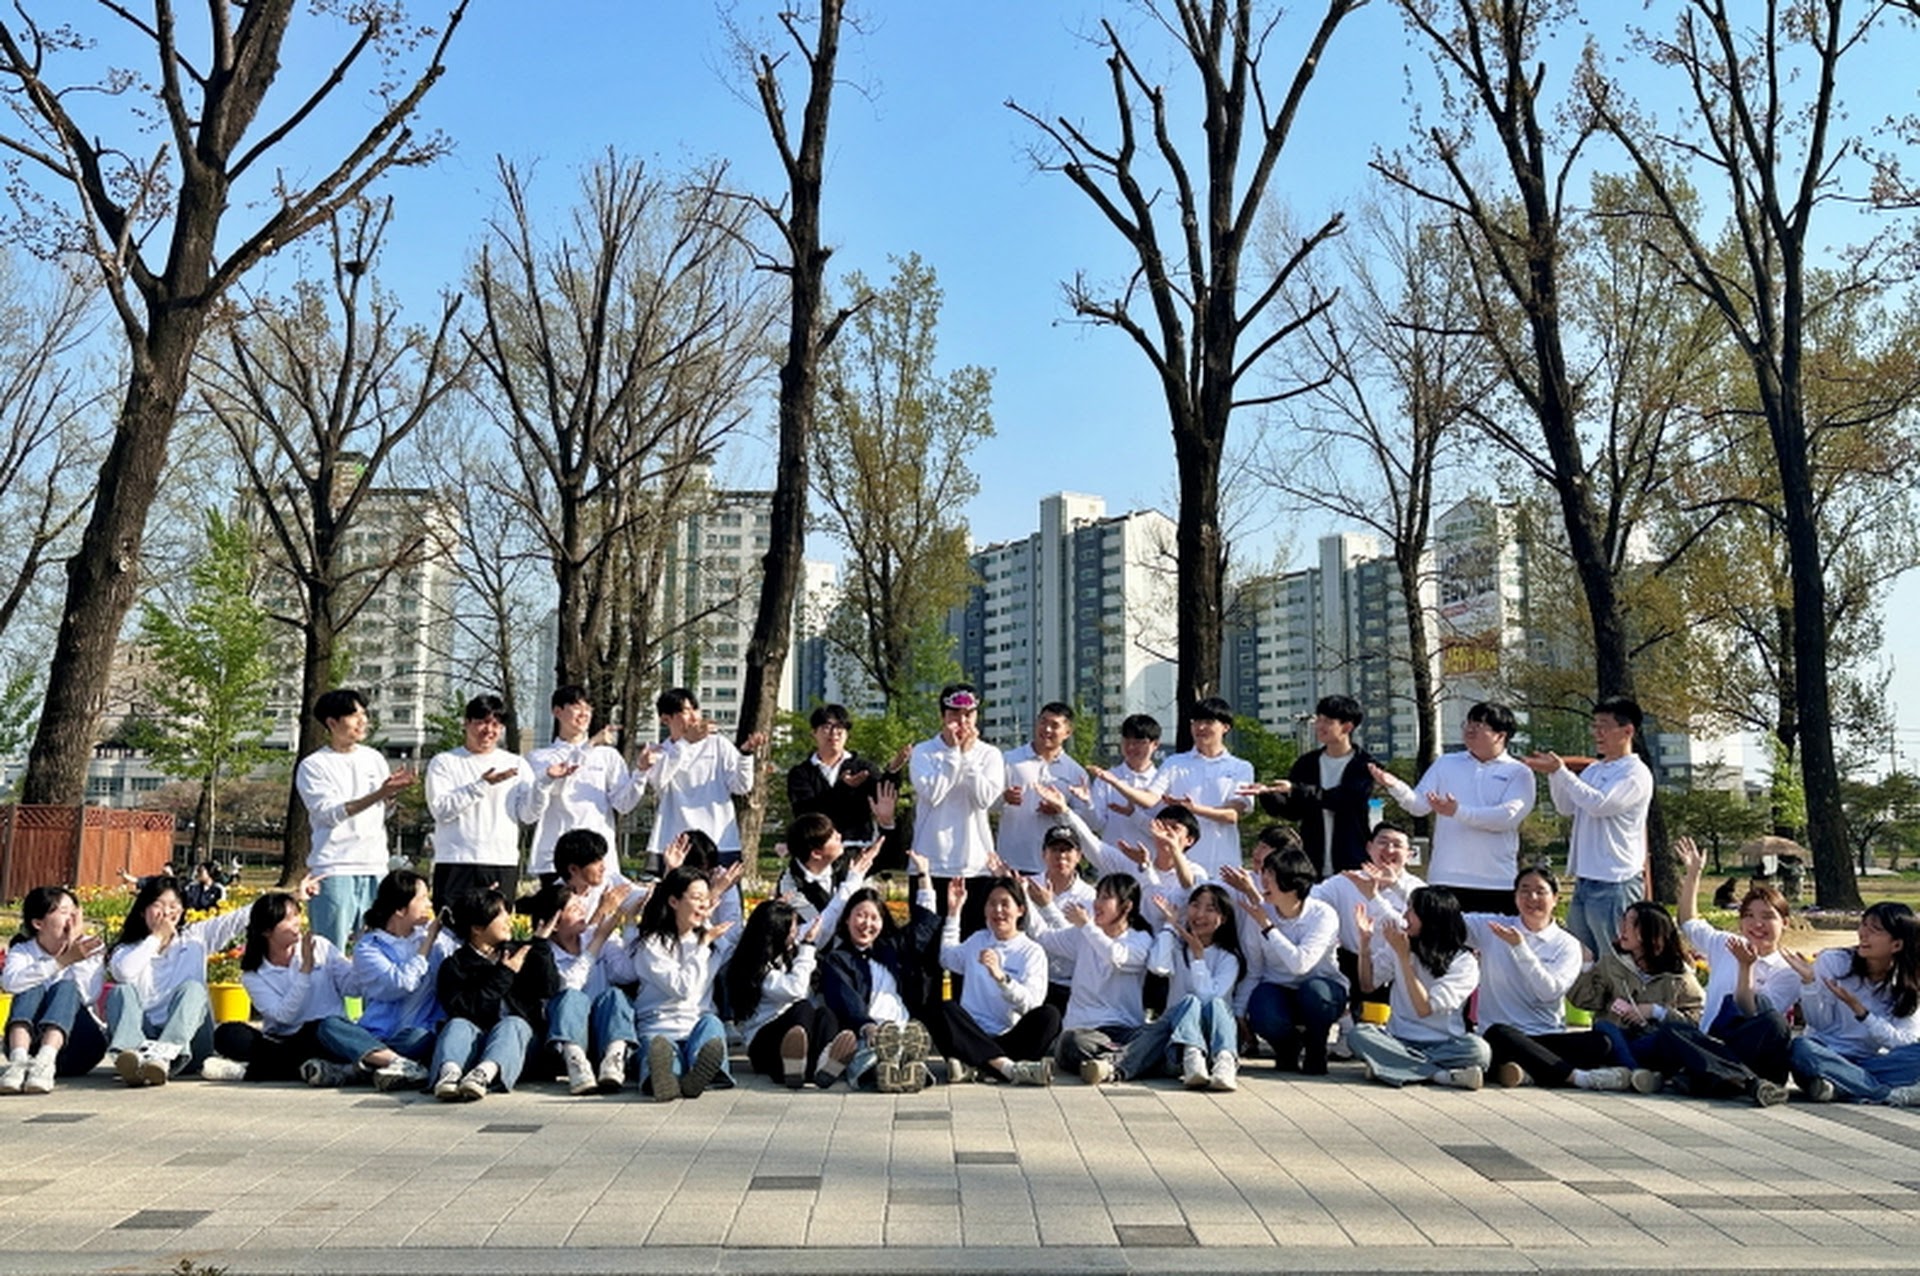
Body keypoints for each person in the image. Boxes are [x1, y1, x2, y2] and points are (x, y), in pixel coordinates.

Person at [1628, 838, 1800, 1105]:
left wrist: (1746, 967)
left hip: (1754, 1052)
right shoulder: (1726, 943)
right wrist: (1693, 874)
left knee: (1773, 1022)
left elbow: (1752, 1015)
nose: (1757, 924)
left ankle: (1704, 1076)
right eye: (1749, 916)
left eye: (1767, 917)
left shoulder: (1788, 969)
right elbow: (1689, 922)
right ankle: (1738, 1082)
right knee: (1672, 1032)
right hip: (1711, 1043)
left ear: (1785, 923)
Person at [211, 893, 427, 1089]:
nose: (297, 923)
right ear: (267, 931)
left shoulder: (320, 945)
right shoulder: (254, 975)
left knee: (415, 1038)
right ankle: (387, 1063)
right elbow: (283, 1016)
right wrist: (306, 969)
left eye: (297, 915)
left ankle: (262, 1071)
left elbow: (353, 988)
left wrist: (365, 962)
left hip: (334, 1036)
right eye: (288, 919)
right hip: (290, 1041)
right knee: (228, 1035)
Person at [1489, 900, 1703, 1092]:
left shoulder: (1680, 977)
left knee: (1666, 1037)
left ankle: (1631, 1073)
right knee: (1603, 1031)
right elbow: (1585, 1000)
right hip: (1616, 1042)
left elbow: (1697, 1023)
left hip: (1652, 1046)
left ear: (1653, 933)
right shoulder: (1612, 964)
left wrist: (1656, 1012)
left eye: (1632, 923)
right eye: (1623, 920)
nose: (1623, 928)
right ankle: (1638, 1075)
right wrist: (1587, 965)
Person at [1370, 701, 1536, 914]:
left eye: (1479, 725)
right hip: (1446, 877)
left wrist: (1458, 811)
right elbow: (1419, 806)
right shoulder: (1446, 763)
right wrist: (1395, 785)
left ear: (1500, 735)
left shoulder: (1518, 772)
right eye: (1468, 723)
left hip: (1496, 880)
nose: (1470, 729)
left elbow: (1506, 817)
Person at [1524, 696, 1654, 959]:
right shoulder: (1595, 771)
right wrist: (1555, 775)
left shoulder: (1635, 773)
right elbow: (1566, 806)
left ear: (1627, 730)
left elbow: (1599, 804)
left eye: (1604, 726)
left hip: (1615, 881)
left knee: (1616, 960)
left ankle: (1622, 991)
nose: (1597, 733)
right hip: (1585, 879)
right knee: (1582, 959)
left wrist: (1562, 772)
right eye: (1595, 726)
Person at [295, 688, 416, 949]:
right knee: (330, 952)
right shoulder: (314, 765)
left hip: (375, 865)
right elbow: (328, 814)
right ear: (332, 722)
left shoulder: (374, 758)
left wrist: (389, 798)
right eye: (354, 715)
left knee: (377, 949)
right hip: (334, 868)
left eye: (364, 714)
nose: (363, 721)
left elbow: (382, 813)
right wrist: (379, 794)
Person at [105, 875, 249, 1085]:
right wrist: (156, 938)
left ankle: (162, 1058)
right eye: (158, 905)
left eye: (173, 906)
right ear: (143, 910)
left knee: (194, 990)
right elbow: (124, 973)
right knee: (120, 991)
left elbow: (239, 918)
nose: (166, 912)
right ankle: (133, 1061)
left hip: (189, 1045)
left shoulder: (195, 937)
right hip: (143, 1039)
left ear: (182, 911)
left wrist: (290, 898)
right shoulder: (127, 949)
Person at [819, 852, 943, 1092]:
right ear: (847, 920)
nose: (867, 924)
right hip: (869, 1032)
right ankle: (885, 1069)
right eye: (860, 916)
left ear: (883, 922)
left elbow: (925, 925)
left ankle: (902, 1066)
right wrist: (867, 1026)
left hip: (902, 1028)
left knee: (906, 1043)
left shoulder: (892, 949)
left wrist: (924, 875)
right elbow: (845, 999)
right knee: (869, 1053)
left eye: (874, 918)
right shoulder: (838, 959)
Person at [1346, 886, 1490, 1090]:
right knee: (1359, 1035)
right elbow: (1367, 985)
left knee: (1479, 1051)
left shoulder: (1464, 962)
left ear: (1432, 918)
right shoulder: (1401, 946)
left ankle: (1391, 1066)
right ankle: (1440, 1075)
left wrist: (1405, 961)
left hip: (1446, 1043)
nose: (1405, 916)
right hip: (1399, 1040)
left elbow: (1424, 1008)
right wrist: (1365, 943)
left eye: (1412, 910)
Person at [625, 863, 745, 1101]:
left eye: (706, 899)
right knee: (660, 1052)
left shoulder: (712, 942)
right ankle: (667, 1077)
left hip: (696, 1027)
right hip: (660, 1029)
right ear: (674, 901)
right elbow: (682, 988)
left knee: (712, 1024)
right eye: (697, 898)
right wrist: (703, 945)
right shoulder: (652, 944)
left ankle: (701, 1074)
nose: (704, 905)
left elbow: (739, 949)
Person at [424, 693, 556, 907]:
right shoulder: (445, 762)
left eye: (496, 724)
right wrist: (482, 784)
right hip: (456, 861)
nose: (489, 730)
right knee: (451, 925)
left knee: (498, 925)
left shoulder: (516, 764)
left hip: (501, 861)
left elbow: (528, 815)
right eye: (482, 722)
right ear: (467, 723)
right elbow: (441, 810)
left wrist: (545, 783)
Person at [1785, 902, 1920, 1106]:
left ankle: (1841, 1086)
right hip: (1824, 1054)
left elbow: (1904, 1043)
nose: (1863, 934)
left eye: (1875, 930)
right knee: (1801, 1048)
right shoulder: (1834, 962)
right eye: (1863, 925)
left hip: (1869, 1062)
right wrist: (1809, 983)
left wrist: (1863, 1013)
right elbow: (1819, 1024)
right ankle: (1883, 1094)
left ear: (1897, 945)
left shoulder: (1905, 983)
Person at [431, 888, 560, 1102]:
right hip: (476, 1044)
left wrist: (540, 945)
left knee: (513, 1023)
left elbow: (549, 988)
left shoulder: (520, 952)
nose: (508, 919)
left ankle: (484, 1075)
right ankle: (449, 1074)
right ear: (477, 928)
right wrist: (504, 974)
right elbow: (465, 1009)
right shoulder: (455, 966)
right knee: (457, 1024)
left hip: (520, 1048)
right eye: (501, 914)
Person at [1463, 865, 1583, 1087]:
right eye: (1524, 891)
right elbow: (1443, 917)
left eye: (1540, 891)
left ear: (1555, 899)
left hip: (1546, 1037)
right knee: (1499, 1034)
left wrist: (1520, 948)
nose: (1532, 898)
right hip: (1500, 1037)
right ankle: (1577, 1077)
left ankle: (1524, 1072)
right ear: (1515, 897)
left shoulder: (1567, 945)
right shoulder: (1493, 927)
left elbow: (1548, 993)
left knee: (1602, 1042)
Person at [1030, 872, 1155, 1085]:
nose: (1097, 903)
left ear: (1126, 906)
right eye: (1097, 896)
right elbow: (1044, 938)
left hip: (1125, 1031)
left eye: (1106, 897)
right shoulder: (1083, 934)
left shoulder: (1140, 939)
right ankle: (1128, 1061)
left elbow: (1115, 957)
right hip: (1086, 1032)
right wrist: (1028, 901)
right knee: (1070, 1042)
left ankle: (1110, 1064)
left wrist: (1087, 926)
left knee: (1161, 1031)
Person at [1231, 848, 1345, 1075]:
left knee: (1314, 993)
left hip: (1321, 988)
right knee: (1263, 1008)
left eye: (1271, 876)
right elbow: (1255, 970)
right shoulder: (1260, 913)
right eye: (1263, 873)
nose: (1263, 881)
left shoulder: (1322, 914)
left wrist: (1268, 927)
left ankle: (1316, 1048)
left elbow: (1301, 964)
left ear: (1292, 883)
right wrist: (1239, 1011)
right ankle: (1288, 1047)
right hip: (1278, 988)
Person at [939, 876, 1059, 1085]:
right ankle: (1006, 1069)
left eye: (1005, 904)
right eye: (992, 904)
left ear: (1020, 910)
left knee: (1050, 1016)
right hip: (970, 1033)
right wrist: (954, 912)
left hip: (1008, 1038)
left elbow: (1031, 1005)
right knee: (944, 1008)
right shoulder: (978, 940)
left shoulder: (1032, 951)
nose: (998, 910)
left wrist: (1002, 979)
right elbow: (947, 959)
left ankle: (978, 1065)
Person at [909, 683, 1007, 939]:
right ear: (943, 716)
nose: (962, 721)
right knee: (926, 946)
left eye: (969, 714)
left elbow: (985, 799)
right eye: (954, 714)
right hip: (930, 863)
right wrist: (954, 754)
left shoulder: (990, 754)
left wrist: (968, 757)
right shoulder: (923, 752)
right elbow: (933, 794)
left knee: (971, 943)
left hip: (975, 865)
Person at [525, 878, 638, 1095]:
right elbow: (570, 986)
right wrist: (597, 943)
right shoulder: (543, 954)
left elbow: (627, 973)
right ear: (555, 923)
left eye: (581, 905)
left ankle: (614, 1059)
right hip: (566, 1042)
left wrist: (630, 924)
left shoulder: (595, 934)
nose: (583, 911)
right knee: (570, 997)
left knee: (615, 995)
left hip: (603, 1036)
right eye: (574, 908)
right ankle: (576, 1063)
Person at [1247, 694, 1378, 877]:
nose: (1320, 726)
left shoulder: (1365, 765)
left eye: (1328, 721)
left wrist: (1296, 789)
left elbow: (1344, 800)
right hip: (1311, 861)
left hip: (1352, 860)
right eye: (1319, 719)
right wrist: (1268, 794)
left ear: (1347, 727)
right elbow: (1294, 811)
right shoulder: (1306, 763)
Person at [527, 684, 641, 882]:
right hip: (554, 858)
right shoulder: (539, 757)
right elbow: (552, 790)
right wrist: (589, 745)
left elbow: (623, 804)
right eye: (577, 707)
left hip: (599, 860)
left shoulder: (608, 756)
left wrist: (641, 773)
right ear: (557, 711)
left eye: (588, 708)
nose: (584, 714)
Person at [640, 687, 765, 868]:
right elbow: (658, 781)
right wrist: (685, 742)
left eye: (696, 709)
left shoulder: (719, 744)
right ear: (666, 719)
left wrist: (746, 754)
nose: (694, 717)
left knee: (724, 886)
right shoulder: (659, 752)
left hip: (720, 841)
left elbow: (741, 786)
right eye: (685, 711)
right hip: (675, 845)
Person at [1, 886, 108, 1096]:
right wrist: (61, 961)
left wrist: (74, 949)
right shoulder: (23, 950)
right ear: (38, 923)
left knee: (67, 987)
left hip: (79, 1046)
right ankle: (18, 1062)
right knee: (29, 985)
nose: (71, 919)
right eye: (63, 912)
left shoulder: (90, 948)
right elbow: (10, 983)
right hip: (30, 1045)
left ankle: (46, 1060)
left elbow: (88, 995)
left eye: (74, 912)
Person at [350, 869, 454, 1078]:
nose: (429, 904)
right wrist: (427, 944)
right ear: (400, 908)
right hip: (376, 1035)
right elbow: (401, 984)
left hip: (415, 1036)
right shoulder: (369, 947)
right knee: (328, 1027)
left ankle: (365, 1065)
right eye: (422, 898)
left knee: (419, 1038)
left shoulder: (438, 940)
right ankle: (395, 1064)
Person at [1145, 883, 1248, 1091]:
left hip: (1215, 1038)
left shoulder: (1228, 958)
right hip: (1177, 1040)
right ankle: (1192, 1057)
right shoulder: (1177, 947)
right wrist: (1170, 925)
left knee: (1215, 1003)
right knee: (1189, 1002)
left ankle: (1225, 1062)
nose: (1200, 914)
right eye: (1195, 905)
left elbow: (1208, 998)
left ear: (1223, 918)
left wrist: (1199, 959)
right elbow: (1157, 967)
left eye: (1210, 909)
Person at [785, 702, 905, 867]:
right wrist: (843, 788)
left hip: (858, 849)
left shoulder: (863, 767)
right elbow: (806, 812)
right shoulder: (801, 773)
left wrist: (893, 771)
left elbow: (883, 797)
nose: (834, 733)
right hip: (817, 854)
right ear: (814, 732)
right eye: (827, 727)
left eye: (840, 727)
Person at [1149, 697, 1254, 877]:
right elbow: (1151, 797)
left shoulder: (1240, 767)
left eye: (1208, 722)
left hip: (1224, 864)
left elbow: (1231, 815)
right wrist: (1117, 784)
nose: (1200, 727)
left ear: (1225, 727)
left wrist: (1193, 809)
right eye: (1196, 722)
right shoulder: (1174, 763)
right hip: (1181, 865)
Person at [996, 702, 1090, 877]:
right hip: (1012, 861)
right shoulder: (1009, 760)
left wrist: (1059, 811)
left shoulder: (1075, 772)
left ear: (1068, 732)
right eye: (1043, 722)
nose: (1046, 729)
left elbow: (1083, 819)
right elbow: (986, 802)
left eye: (1054, 725)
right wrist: (1004, 797)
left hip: (1054, 866)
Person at [1086, 714, 1165, 863]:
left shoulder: (1162, 781)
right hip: (1113, 863)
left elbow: (1163, 831)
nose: (1131, 747)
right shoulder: (1105, 778)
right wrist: (1087, 804)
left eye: (1139, 742)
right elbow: (1096, 824)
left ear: (1155, 744)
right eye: (1126, 741)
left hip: (1151, 865)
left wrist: (1134, 815)